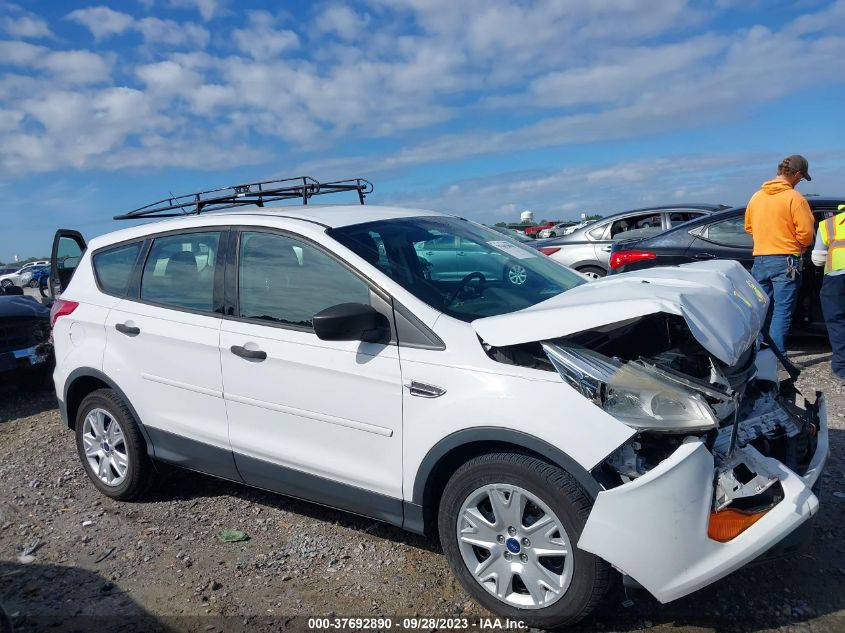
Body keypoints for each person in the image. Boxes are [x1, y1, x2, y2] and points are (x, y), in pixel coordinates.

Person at [744, 155, 815, 355]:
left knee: (761, 310)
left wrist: (766, 239)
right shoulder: (795, 198)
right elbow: (806, 234)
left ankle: (755, 353)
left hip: (761, 259)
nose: (800, 182)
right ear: (797, 174)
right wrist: (799, 245)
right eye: (801, 178)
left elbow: (749, 227)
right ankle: (776, 357)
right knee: (782, 311)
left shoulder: (756, 197)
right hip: (787, 260)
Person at [811, 204, 845, 383]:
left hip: (836, 280)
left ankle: (842, 368)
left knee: (837, 322)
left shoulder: (829, 224)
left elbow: (817, 259)